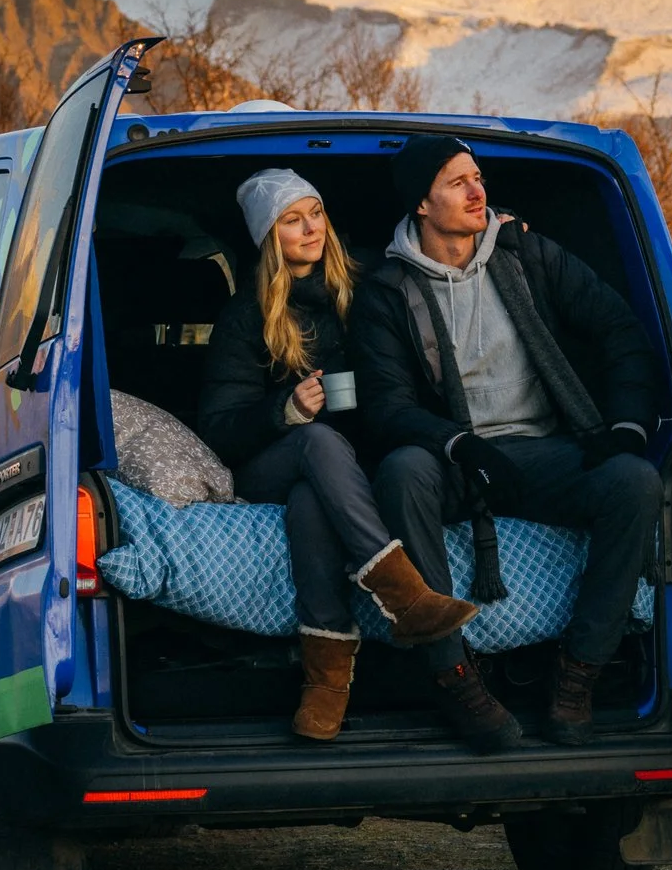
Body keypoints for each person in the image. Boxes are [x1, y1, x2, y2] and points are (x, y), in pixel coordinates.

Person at [349, 137, 659, 752]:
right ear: (421, 203)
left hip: (543, 450)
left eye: (478, 177)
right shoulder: (385, 291)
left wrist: (626, 425)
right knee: (402, 471)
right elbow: (388, 408)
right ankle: (455, 674)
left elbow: (619, 328)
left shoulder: (529, 256)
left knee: (636, 481)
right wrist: (460, 445)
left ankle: (578, 676)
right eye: (457, 182)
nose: (476, 192)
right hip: (455, 459)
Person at [198, 168, 480, 741]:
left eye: (316, 213)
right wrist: (285, 410)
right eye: (291, 220)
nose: (310, 229)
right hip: (271, 460)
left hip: (345, 469)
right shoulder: (245, 315)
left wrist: (507, 234)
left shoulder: (368, 286)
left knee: (312, 499)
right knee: (316, 441)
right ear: (268, 237)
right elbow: (220, 429)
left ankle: (325, 683)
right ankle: (403, 592)